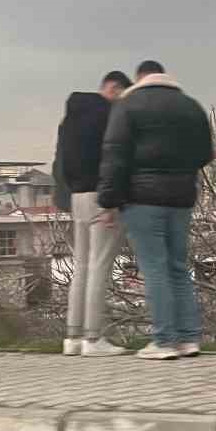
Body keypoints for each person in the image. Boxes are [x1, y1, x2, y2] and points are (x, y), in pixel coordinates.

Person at [96, 60, 215, 360]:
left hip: (142, 199)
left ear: (139, 79)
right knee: (178, 267)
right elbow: (205, 154)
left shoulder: (128, 105)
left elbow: (114, 155)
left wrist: (108, 200)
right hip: (182, 198)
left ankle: (163, 341)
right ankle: (189, 339)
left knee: (154, 268)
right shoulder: (190, 106)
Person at [57, 70, 133, 356]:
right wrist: (111, 201)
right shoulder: (108, 115)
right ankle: (93, 338)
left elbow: (61, 161)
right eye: (123, 95)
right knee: (100, 266)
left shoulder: (71, 118)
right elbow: (113, 159)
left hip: (77, 196)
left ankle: (72, 338)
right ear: (113, 88)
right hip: (102, 197)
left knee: (82, 267)